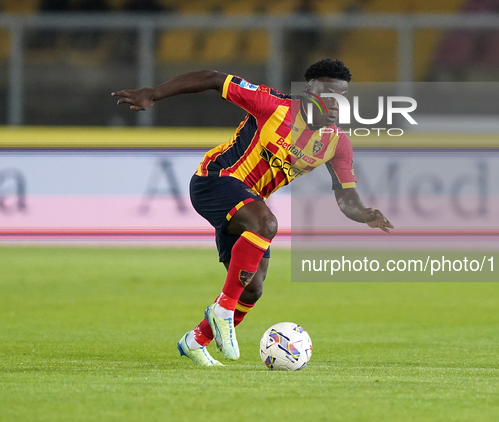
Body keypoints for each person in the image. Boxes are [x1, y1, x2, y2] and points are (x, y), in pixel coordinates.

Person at [112, 59, 393, 366]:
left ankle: (195, 341)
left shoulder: (337, 143)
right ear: (309, 91)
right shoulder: (274, 105)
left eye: (341, 96)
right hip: (215, 180)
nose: (336, 102)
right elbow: (212, 77)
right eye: (329, 94)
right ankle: (221, 310)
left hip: (247, 203)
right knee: (267, 223)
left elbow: (345, 197)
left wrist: (364, 213)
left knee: (253, 289)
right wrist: (154, 93)